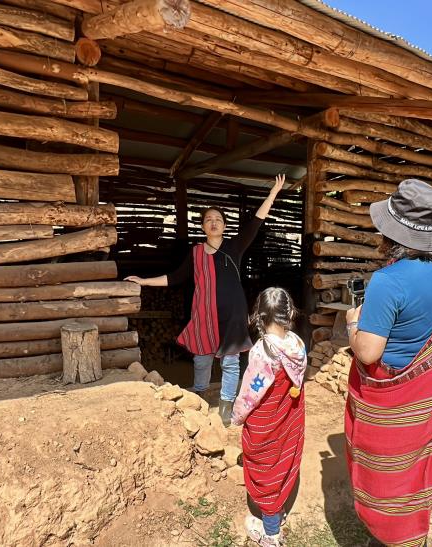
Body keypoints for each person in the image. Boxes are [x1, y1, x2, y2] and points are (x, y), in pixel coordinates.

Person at [344, 179, 432, 547]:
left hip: (393, 407)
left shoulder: (387, 281)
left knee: (387, 481)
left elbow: (368, 353)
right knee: (414, 472)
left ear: (391, 232)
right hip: (426, 403)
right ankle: (410, 536)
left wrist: (353, 321)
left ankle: (394, 538)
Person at [126, 174, 285, 426]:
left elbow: (256, 221)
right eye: (208, 220)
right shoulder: (196, 253)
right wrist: (144, 281)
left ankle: (225, 406)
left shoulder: (235, 247)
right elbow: (174, 278)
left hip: (233, 314)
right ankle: (198, 397)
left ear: (224, 225)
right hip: (203, 315)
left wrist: (273, 193)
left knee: (231, 363)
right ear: (202, 227)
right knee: (202, 358)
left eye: (218, 219)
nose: (213, 223)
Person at [231, 287, 306, 547]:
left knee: (267, 468)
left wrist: (237, 416)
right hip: (289, 418)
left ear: (259, 317)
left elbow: (250, 395)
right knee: (282, 461)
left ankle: (271, 533)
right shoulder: (297, 345)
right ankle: (278, 511)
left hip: (268, 423)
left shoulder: (263, 352)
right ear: (290, 313)